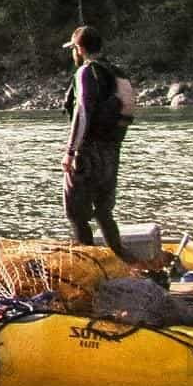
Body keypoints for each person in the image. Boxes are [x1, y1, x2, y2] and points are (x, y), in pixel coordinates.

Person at [60, 25, 135, 261]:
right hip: (111, 153)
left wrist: (71, 152)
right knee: (104, 213)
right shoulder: (114, 72)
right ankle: (123, 259)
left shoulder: (86, 72)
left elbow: (83, 112)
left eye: (74, 49)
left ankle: (91, 268)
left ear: (79, 49)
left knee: (76, 214)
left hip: (88, 154)